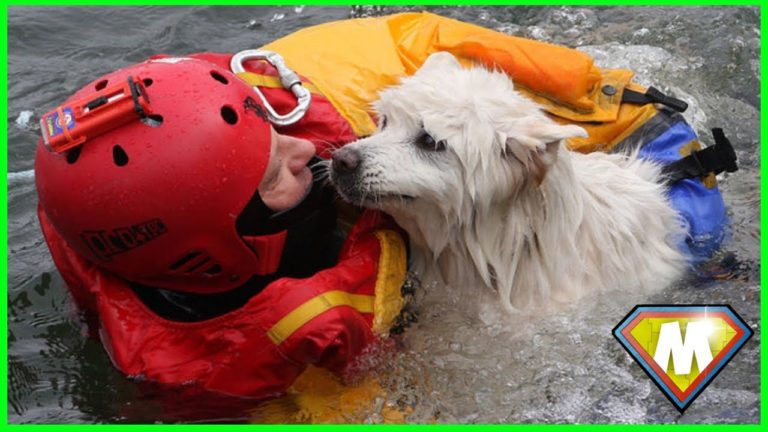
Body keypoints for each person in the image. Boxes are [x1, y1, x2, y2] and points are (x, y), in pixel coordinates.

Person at [35, 11, 733, 407]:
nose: (324, 153)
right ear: (228, 234)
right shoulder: (215, 366)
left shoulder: (297, 101)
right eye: (273, 172)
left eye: (276, 134)